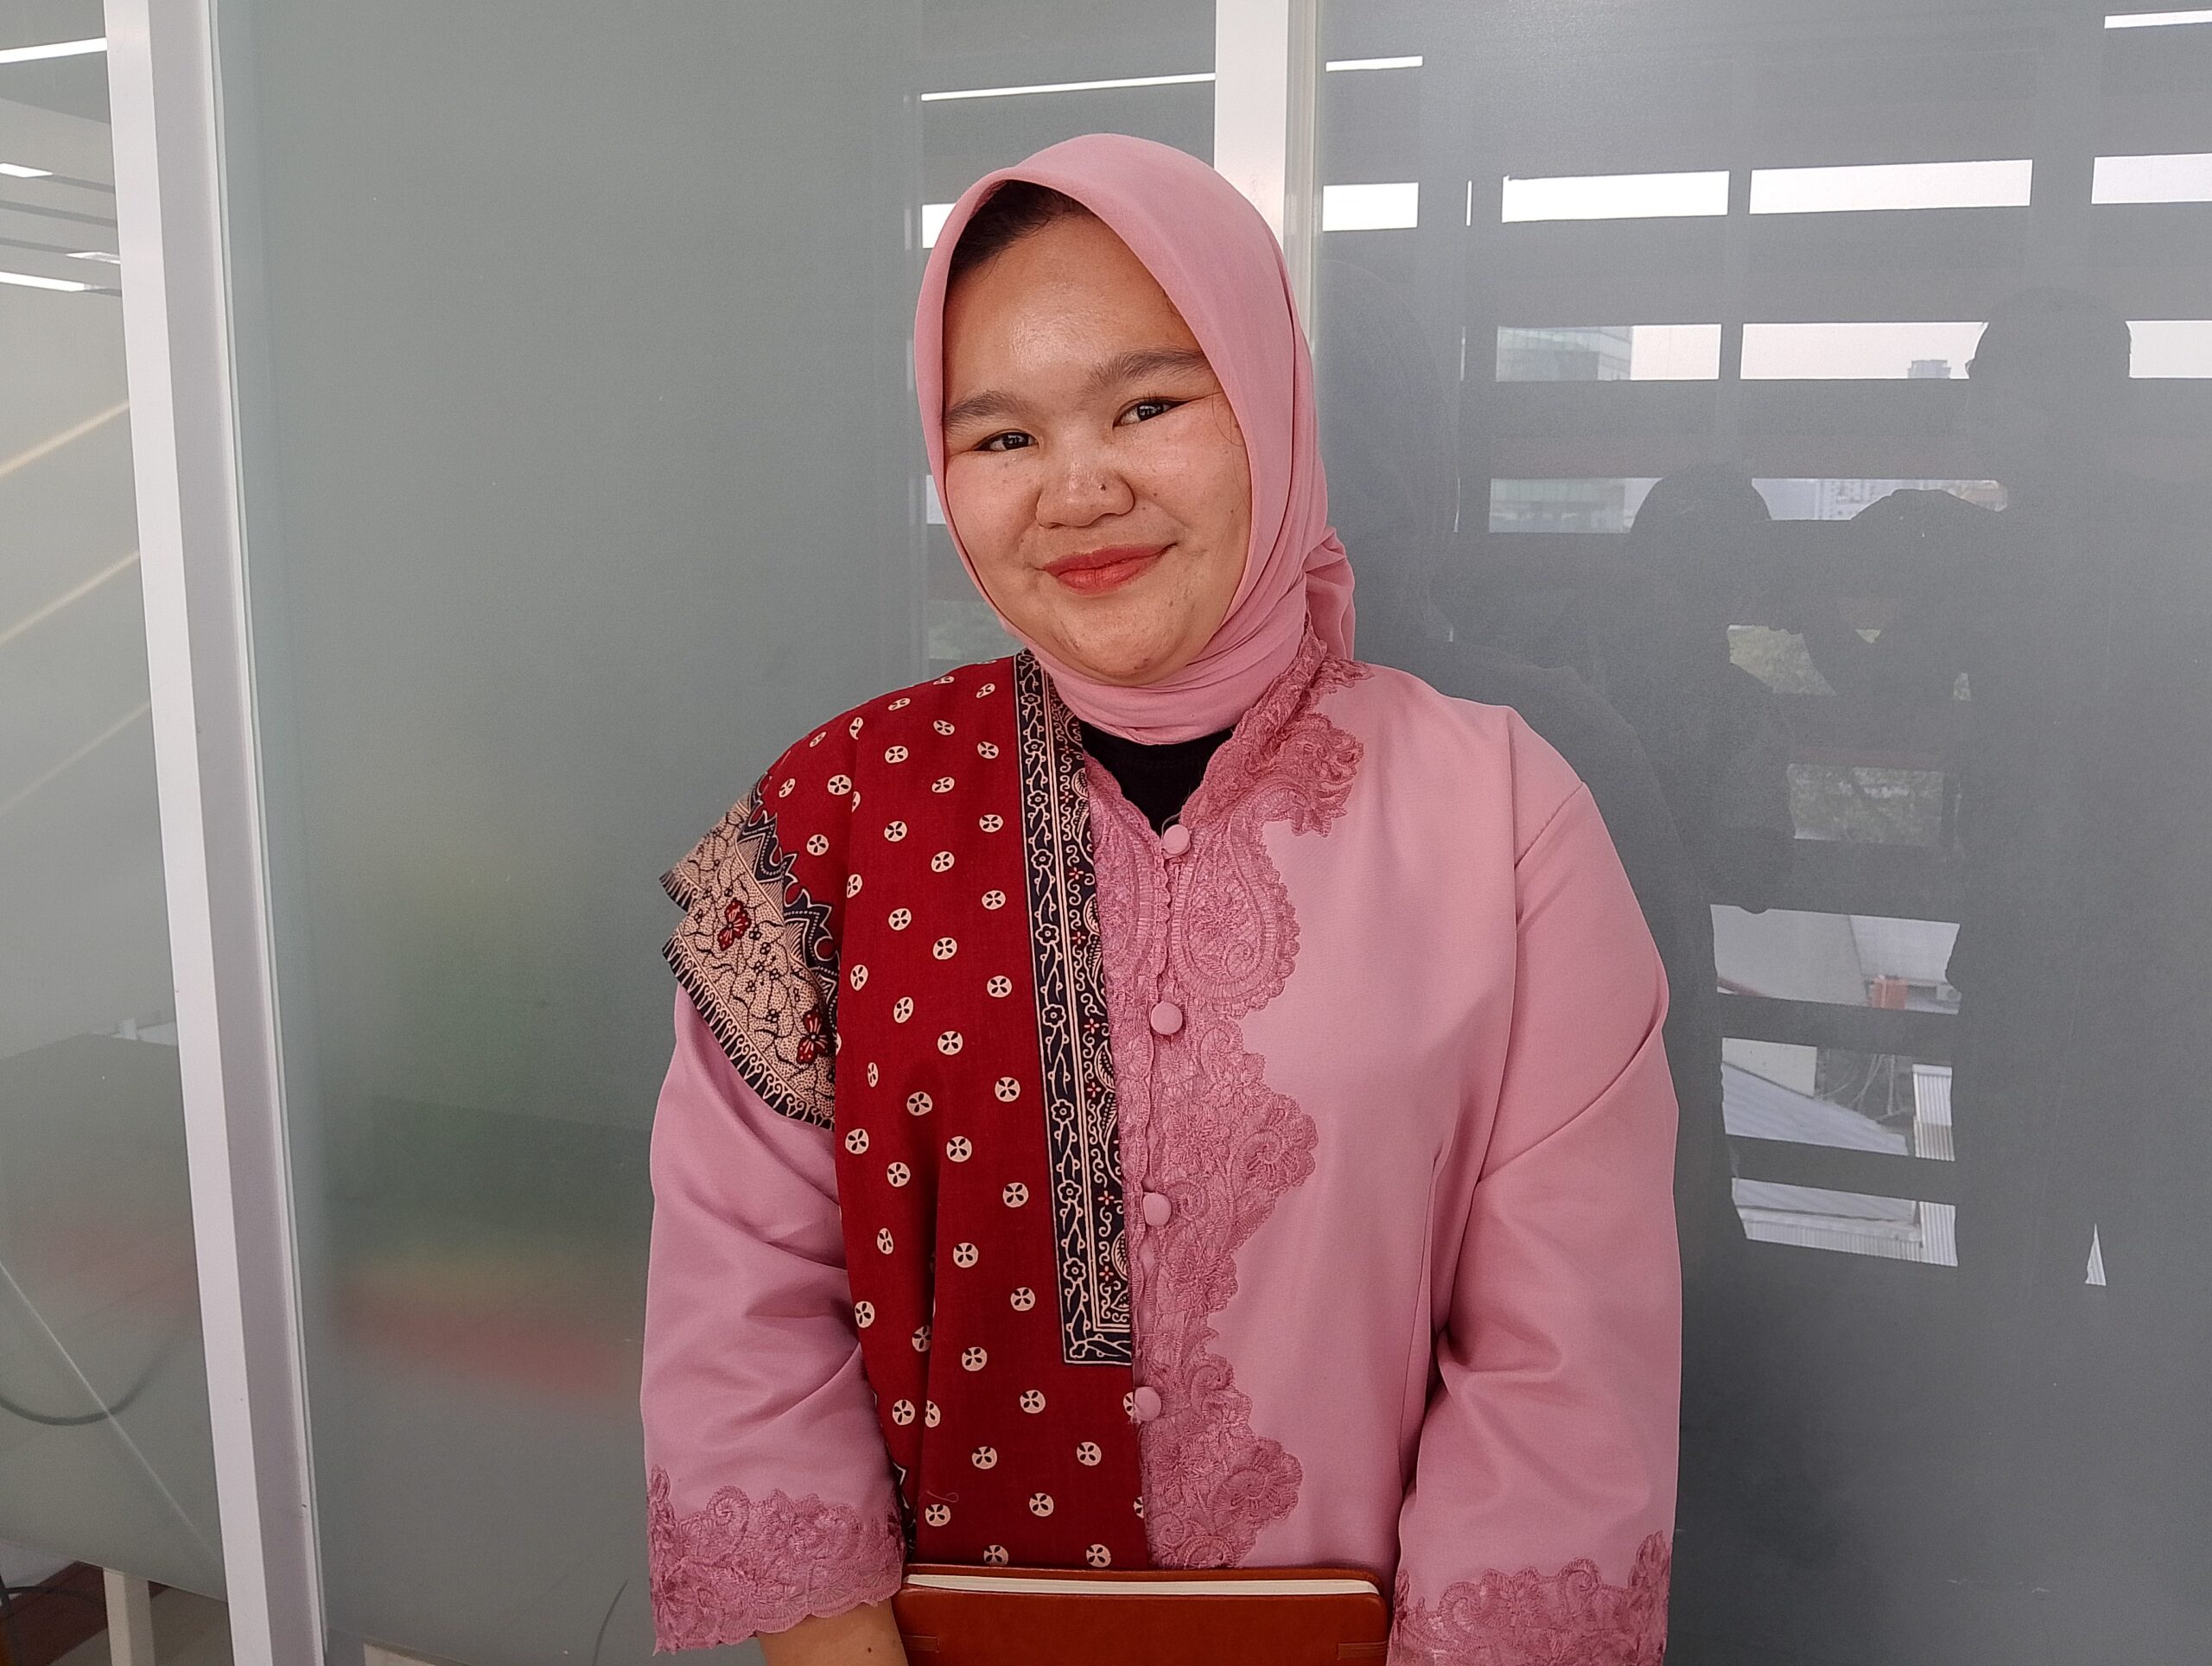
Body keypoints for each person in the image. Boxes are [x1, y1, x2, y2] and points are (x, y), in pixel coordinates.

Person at [639, 135, 1681, 1664]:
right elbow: (743, 1288)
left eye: (1148, 406)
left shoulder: (1506, 815)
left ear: (1271, 405)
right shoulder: (836, 816)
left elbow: (1564, 1353)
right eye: (1003, 436)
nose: (1081, 489)